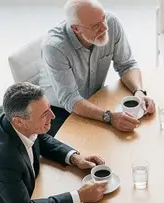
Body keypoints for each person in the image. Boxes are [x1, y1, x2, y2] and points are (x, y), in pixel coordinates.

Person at [39, 0, 155, 135]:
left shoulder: (111, 22)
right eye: (95, 26)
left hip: (93, 100)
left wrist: (139, 92)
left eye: (103, 18)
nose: (105, 27)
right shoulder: (55, 48)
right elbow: (71, 99)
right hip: (59, 112)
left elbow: (126, 64)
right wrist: (110, 117)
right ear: (76, 29)